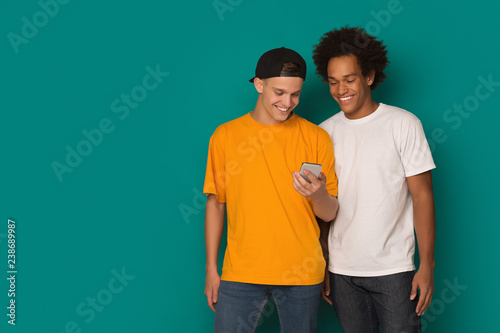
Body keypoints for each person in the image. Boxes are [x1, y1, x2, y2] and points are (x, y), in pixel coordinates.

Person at [203, 47, 339, 333]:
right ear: (259, 84)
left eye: (295, 94)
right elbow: (216, 204)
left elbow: (329, 213)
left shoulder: (317, 137)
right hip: (241, 271)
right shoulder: (225, 136)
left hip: (302, 272)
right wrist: (211, 270)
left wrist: (318, 195)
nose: (287, 102)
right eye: (279, 92)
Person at [312, 27, 436, 332]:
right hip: (342, 273)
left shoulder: (403, 124)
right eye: (333, 82)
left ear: (368, 76)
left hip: (394, 270)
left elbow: (422, 197)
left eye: (350, 79)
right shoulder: (322, 133)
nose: (341, 89)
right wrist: (324, 263)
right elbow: (322, 204)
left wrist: (427, 266)